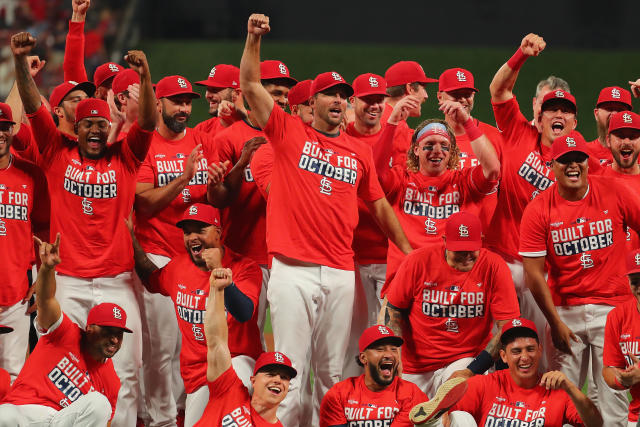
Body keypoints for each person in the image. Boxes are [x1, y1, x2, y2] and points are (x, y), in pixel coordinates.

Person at [240, 13, 412, 426]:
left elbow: (379, 205)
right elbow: (249, 85)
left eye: (343, 95)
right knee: (290, 373)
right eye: (329, 95)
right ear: (310, 103)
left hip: (339, 271)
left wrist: (407, 249)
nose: (338, 100)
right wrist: (252, 39)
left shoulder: (359, 151)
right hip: (293, 270)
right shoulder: (287, 132)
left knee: (335, 376)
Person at [12, 31, 157, 426]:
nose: (94, 129)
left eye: (101, 123)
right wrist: (22, 65)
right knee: (56, 361)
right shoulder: (56, 150)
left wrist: (145, 79)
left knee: (125, 371)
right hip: (70, 280)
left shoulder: (126, 157)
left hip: (116, 280)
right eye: (87, 122)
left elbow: (146, 121)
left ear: (110, 125)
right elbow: (31, 105)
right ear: (76, 125)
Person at [519, 131, 640, 425]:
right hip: (564, 311)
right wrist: (555, 322)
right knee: (560, 395)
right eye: (565, 161)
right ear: (552, 165)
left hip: (613, 309)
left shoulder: (614, 191)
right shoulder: (538, 210)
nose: (573, 165)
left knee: (614, 396)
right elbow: (534, 275)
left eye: (579, 159)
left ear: (587, 162)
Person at [134, 74, 223, 427]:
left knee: (194, 347)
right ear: (158, 104)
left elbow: (213, 202)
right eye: (177, 102)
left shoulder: (201, 141)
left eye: (188, 103)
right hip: (158, 253)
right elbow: (144, 205)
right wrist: (183, 179)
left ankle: (185, 414)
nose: (184, 109)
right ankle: (160, 420)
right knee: (162, 350)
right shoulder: (147, 146)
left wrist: (216, 186)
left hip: (196, 259)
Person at [486, 33, 583, 354]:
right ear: (538, 117)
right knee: (493, 348)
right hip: (501, 259)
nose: (557, 115)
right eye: (550, 109)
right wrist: (520, 56)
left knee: (539, 353)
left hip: (543, 272)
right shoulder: (518, 132)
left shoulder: (583, 160)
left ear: (574, 122)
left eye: (564, 110)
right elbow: (498, 90)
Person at [131, 203, 263, 427]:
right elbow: (150, 276)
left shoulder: (245, 268)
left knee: (231, 416)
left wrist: (220, 274)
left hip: (236, 361)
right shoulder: (178, 268)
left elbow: (243, 313)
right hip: (197, 375)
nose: (192, 237)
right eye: (187, 231)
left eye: (200, 230)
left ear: (218, 233)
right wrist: (129, 238)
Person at [0, 234, 134, 426]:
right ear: (89, 328)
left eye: (119, 334)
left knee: (100, 404)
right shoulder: (64, 333)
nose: (114, 340)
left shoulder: (111, 381)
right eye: (108, 332)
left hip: (58, 421)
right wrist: (47, 269)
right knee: (4, 415)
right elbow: (46, 301)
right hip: (22, 413)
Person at [382, 211, 519, 398]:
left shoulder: (494, 266)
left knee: (461, 401)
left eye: (471, 249)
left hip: (464, 360)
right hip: (415, 364)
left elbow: (508, 328)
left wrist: (473, 369)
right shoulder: (417, 261)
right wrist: (393, 353)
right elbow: (393, 310)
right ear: (445, 241)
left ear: (481, 240)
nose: (466, 256)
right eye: (459, 250)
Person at [373, 97, 500, 282]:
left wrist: (467, 122)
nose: (437, 151)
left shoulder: (463, 181)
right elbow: (375, 174)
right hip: (405, 283)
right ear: (416, 150)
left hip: (450, 284)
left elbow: (493, 170)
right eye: (429, 145)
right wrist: (392, 122)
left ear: (452, 152)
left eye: (444, 145)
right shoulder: (401, 180)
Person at [418, 318, 603, 427]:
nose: (524, 357)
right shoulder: (484, 385)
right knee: (459, 418)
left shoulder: (556, 388)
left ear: (540, 350)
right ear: (503, 356)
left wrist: (570, 387)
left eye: (530, 349)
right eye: (516, 351)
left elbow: (595, 423)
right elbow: (439, 414)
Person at [192, 265, 296, 426]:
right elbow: (216, 340)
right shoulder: (229, 388)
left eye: (284, 377)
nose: (277, 380)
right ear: (253, 381)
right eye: (270, 374)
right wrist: (217, 290)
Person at [0, 101, 49, 382]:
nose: (0, 134)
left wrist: (43, 277)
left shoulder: (31, 175)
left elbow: (44, 230)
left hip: (15, 299)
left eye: (5, 127)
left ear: (12, 130)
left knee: (12, 379)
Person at [320, 324, 429, 426]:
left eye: (394, 349)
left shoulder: (411, 394)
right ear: (363, 358)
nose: (389, 355)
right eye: (380, 349)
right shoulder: (339, 394)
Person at [383, 60, 437, 167]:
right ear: (410, 89)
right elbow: (397, 177)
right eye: (423, 88)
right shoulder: (397, 125)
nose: (426, 95)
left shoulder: (369, 117)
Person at [599, 111, 640, 251]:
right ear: (608, 140)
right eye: (620, 136)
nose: (626, 142)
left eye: (633, 137)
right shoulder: (595, 179)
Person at [194, 64, 246, 134]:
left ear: (237, 93)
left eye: (215, 90)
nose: (207, 95)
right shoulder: (202, 130)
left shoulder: (256, 124)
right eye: (207, 89)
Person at [588, 86, 633, 164]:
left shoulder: (636, 153)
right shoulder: (583, 153)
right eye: (609, 108)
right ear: (596, 114)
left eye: (620, 110)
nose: (614, 114)